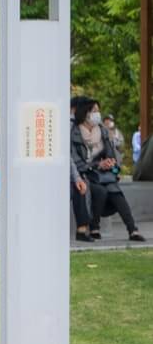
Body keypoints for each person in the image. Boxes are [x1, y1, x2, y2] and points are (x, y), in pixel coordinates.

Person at [71, 97, 144, 241]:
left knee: (115, 190)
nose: (97, 114)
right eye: (94, 111)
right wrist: (97, 165)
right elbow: (76, 161)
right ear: (84, 113)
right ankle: (94, 227)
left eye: (98, 111)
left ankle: (132, 229)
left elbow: (112, 155)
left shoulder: (103, 131)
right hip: (85, 174)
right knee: (101, 191)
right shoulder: (74, 133)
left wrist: (111, 164)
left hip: (103, 174)